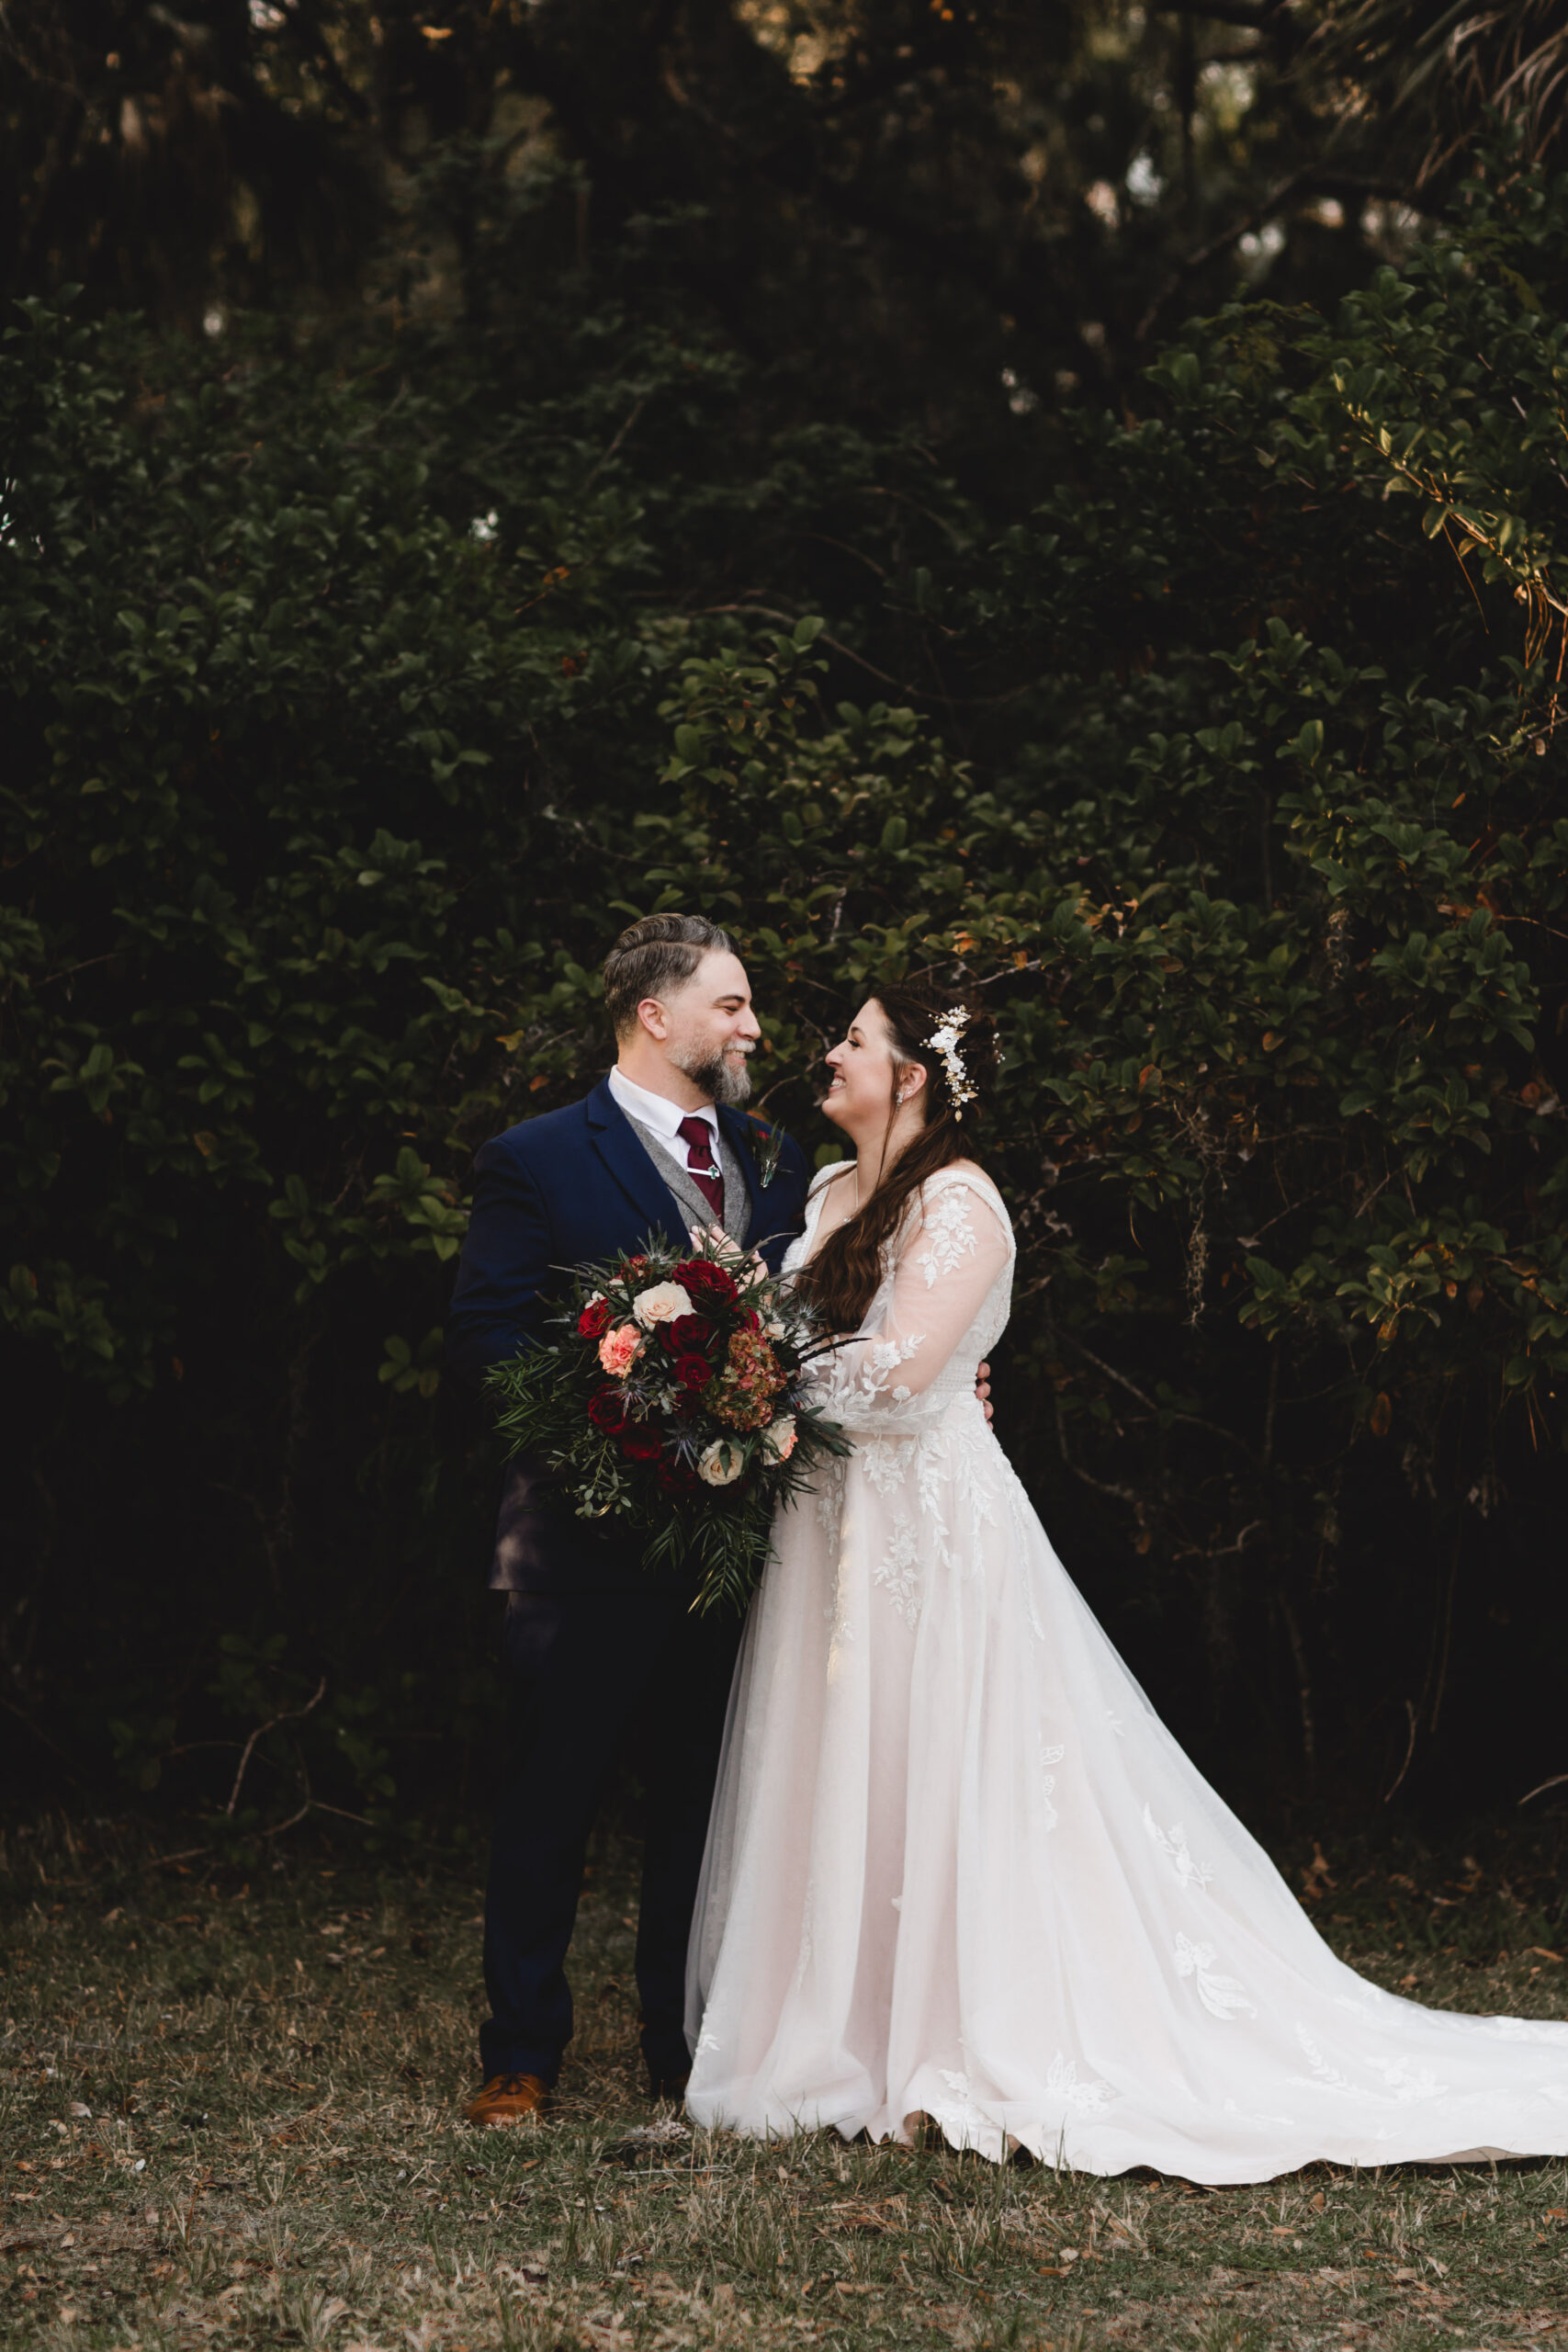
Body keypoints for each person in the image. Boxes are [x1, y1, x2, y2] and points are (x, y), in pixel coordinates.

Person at [684, 978, 1568, 2182]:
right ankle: (839, 2029)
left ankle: (963, 2027)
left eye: (852, 1040)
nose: (826, 1054)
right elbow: (811, 1337)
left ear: (910, 1079)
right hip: (829, 1527)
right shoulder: (832, 1193)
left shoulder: (965, 1203)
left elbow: (900, 1374)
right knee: (841, 1750)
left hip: (929, 1532)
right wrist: (738, 1364)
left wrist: (763, 1385)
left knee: (939, 1754)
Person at [446, 913, 813, 2125]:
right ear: (655, 1015)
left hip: (733, 1545)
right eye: (732, 1003)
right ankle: (522, 2052)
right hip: (581, 1541)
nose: (753, 1027)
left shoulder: (771, 1153)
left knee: (705, 1806)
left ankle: (683, 2040)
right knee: (554, 1792)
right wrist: (612, 1439)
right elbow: (490, 1337)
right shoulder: (540, 1157)